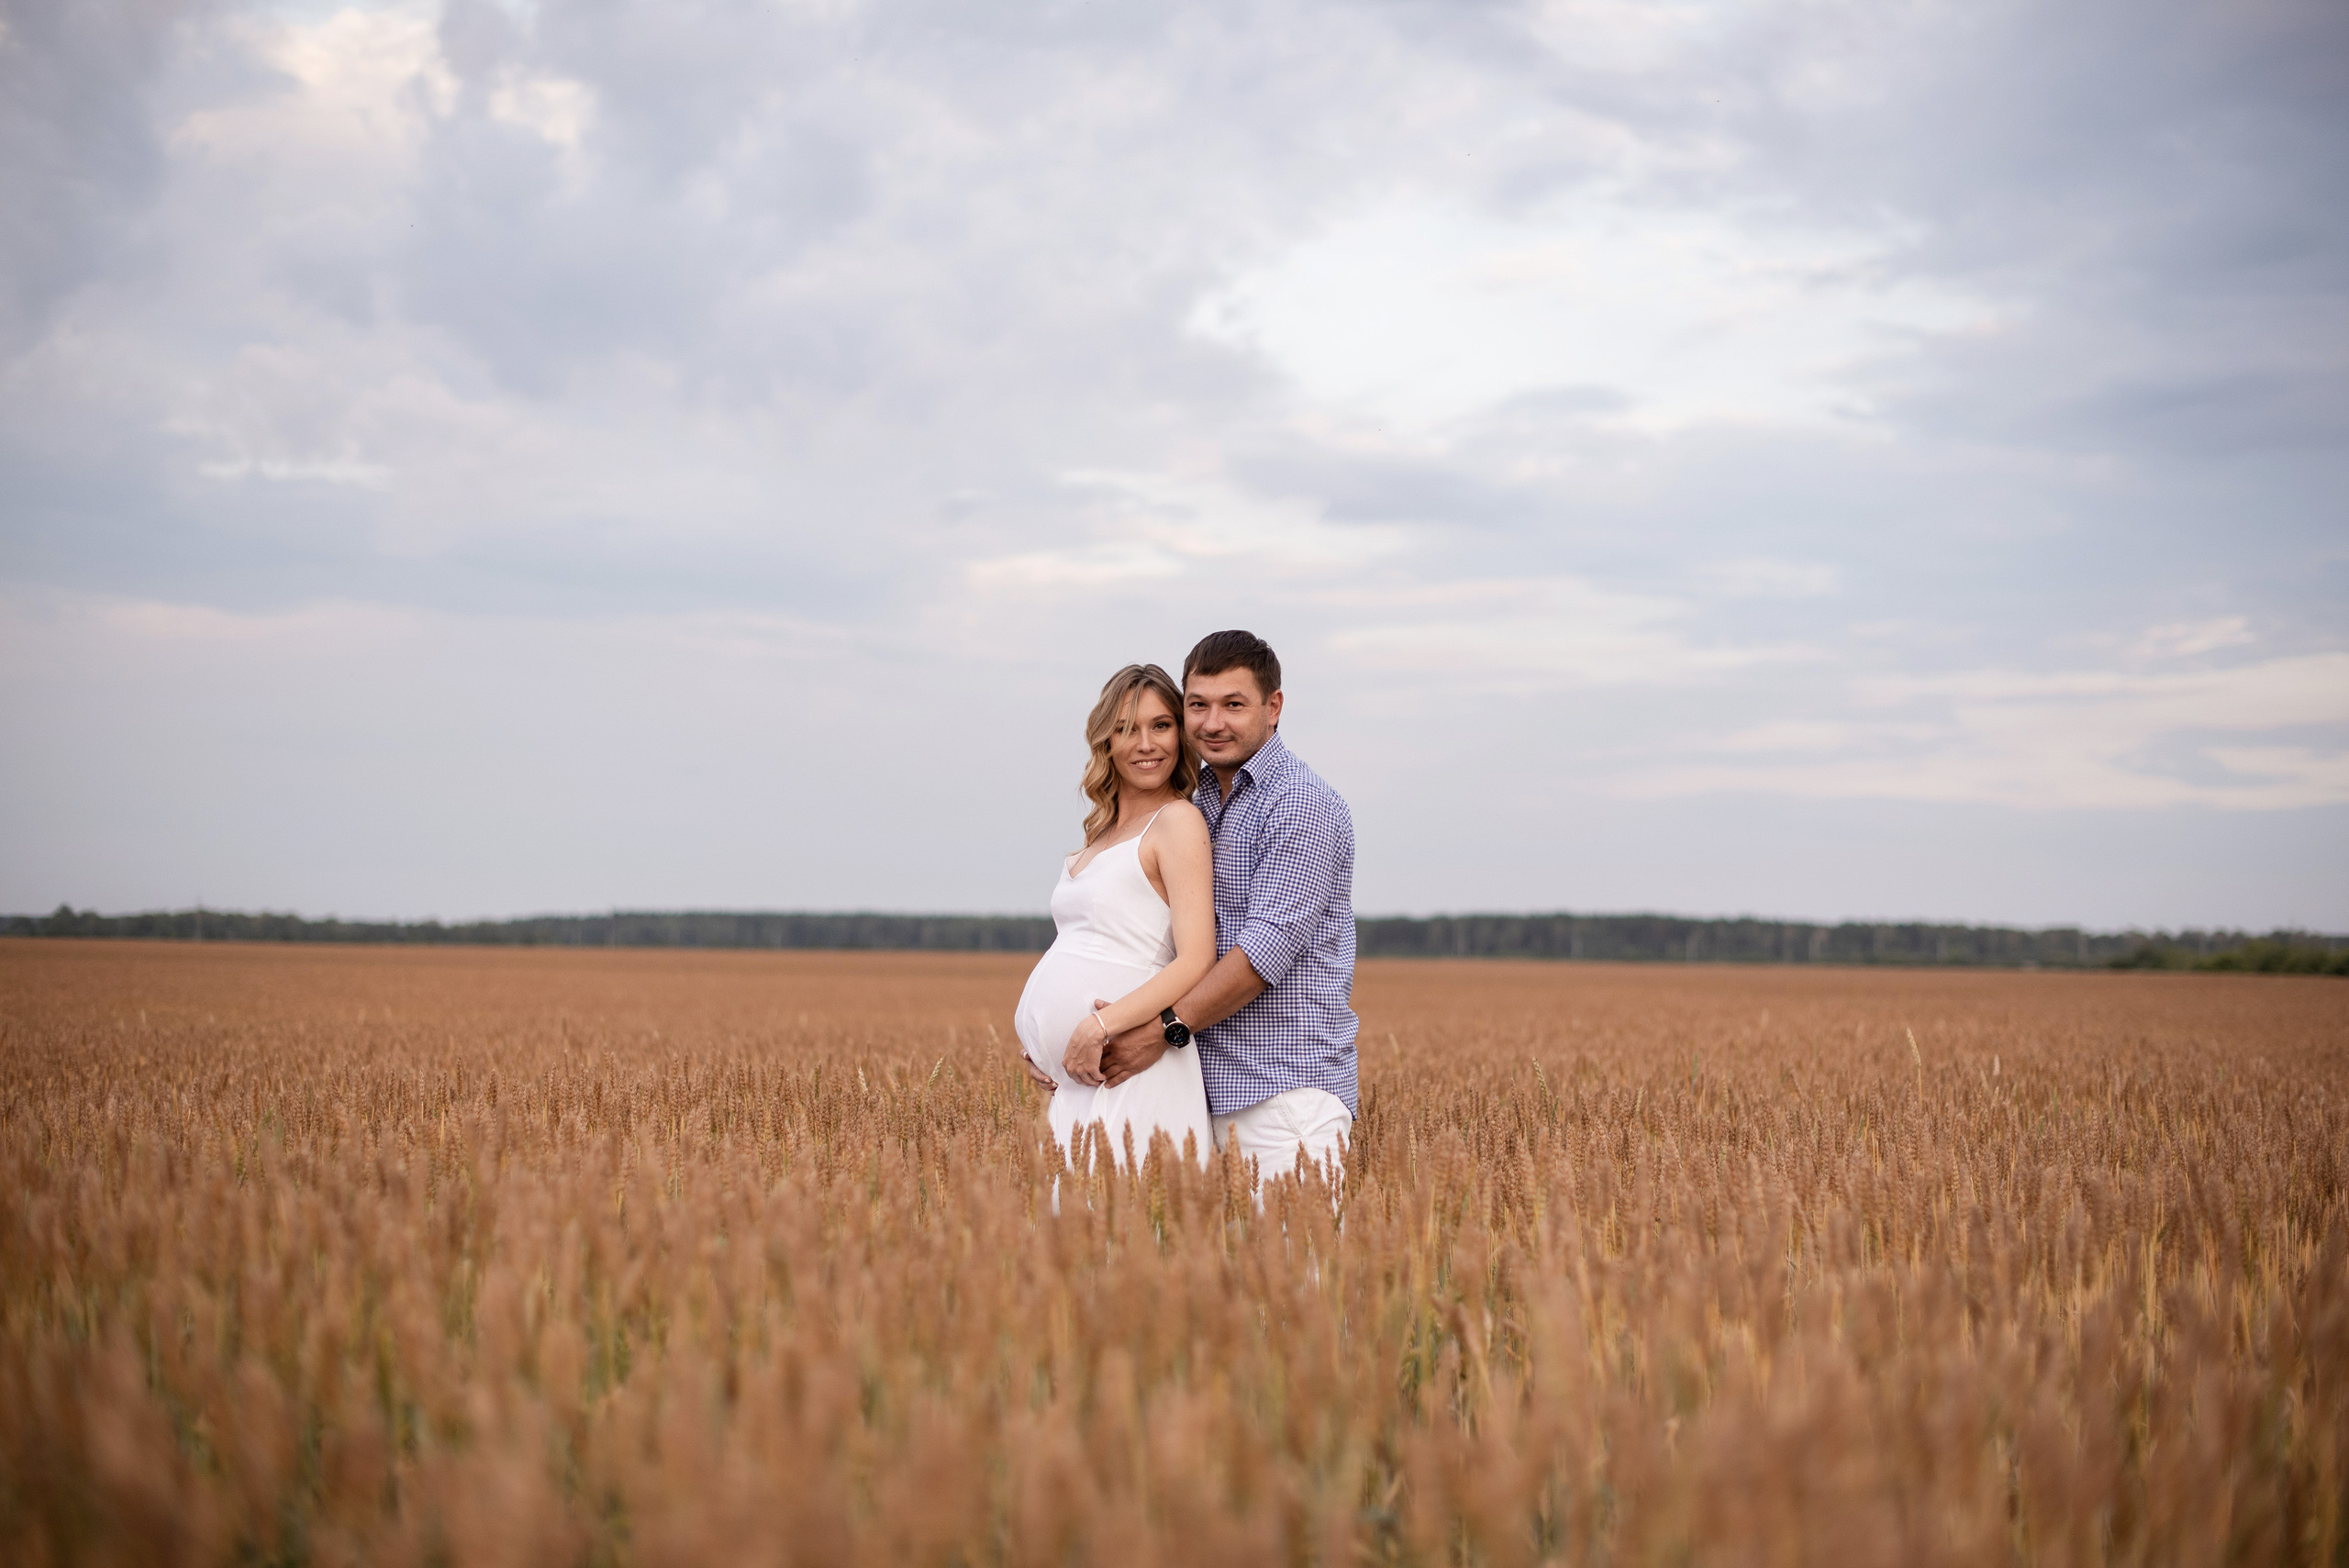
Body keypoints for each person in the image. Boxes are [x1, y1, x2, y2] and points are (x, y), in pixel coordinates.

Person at [1094, 630, 1359, 1182]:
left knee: (1293, 1269)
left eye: (1233, 705)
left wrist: (1156, 1033)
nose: (1213, 723)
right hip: (1192, 1095)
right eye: (1198, 705)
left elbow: (1262, 954)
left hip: (1282, 1101)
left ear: (1274, 707)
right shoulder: (1195, 805)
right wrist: (1079, 1032)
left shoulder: (1302, 804)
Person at [1012, 663, 1218, 1166]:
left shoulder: (1178, 822)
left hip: (1135, 1073)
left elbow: (1196, 959)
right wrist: (1042, 1045)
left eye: (1161, 726)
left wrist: (1097, 1027)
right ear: (1106, 740)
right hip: (1079, 1083)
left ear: (1181, 734)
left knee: (1129, 1232)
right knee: (1077, 1237)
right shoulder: (1102, 831)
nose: (1146, 743)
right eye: (1127, 728)